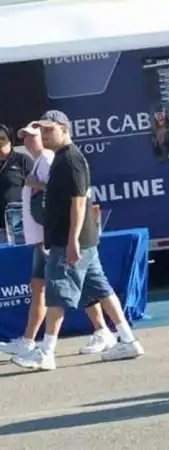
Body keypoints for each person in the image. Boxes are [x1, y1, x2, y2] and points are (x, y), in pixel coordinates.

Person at [11, 111, 144, 371]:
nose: (44, 135)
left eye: (49, 130)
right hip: (78, 240)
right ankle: (128, 340)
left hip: (70, 241)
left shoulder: (71, 160)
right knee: (101, 290)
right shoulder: (61, 159)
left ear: (64, 129)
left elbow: (79, 201)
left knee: (58, 293)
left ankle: (46, 352)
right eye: (42, 130)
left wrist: (72, 240)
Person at [0, 122, 117, 357]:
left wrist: (68, 237)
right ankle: (30, 341)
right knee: (42, 286)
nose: (29, 141)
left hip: (53, 236)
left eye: (34, 136)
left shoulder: (51, 160)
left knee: (66, 288)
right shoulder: (41, 161)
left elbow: (66, 197)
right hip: (42, 236)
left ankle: (53, 345)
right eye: (26, 138)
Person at [0, 123, 33, 243]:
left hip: (19, 227)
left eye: (2, 138)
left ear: (10, 141)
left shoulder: (22, 160)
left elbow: (35, 191)